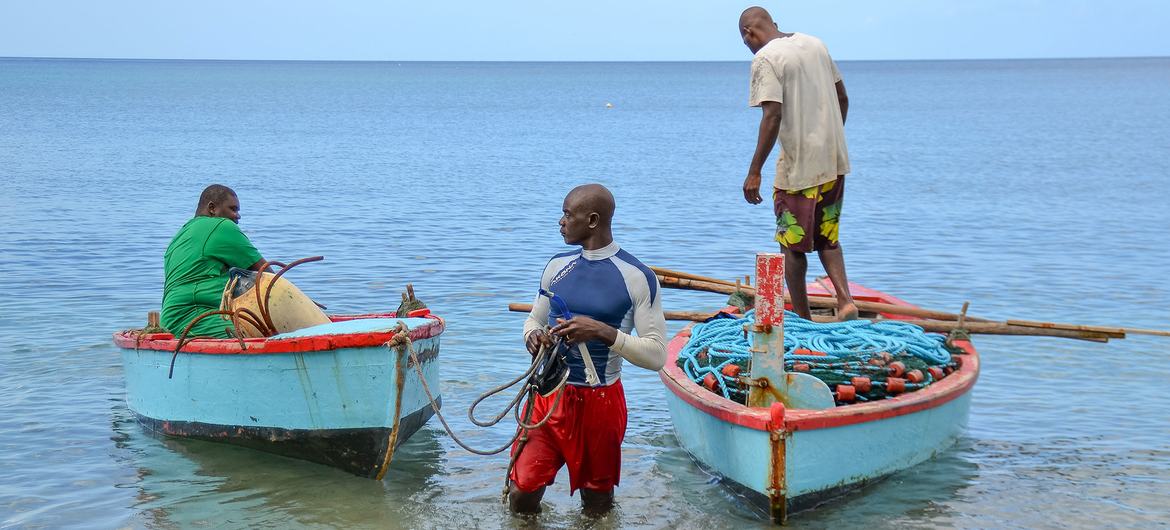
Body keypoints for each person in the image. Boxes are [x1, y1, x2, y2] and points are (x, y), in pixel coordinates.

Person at [510, 183, 667, 516]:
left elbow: (656, 356)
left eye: (568, 214)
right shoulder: (557, 266)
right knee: (521, 493)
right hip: (548, 398)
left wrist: (603, 331)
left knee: (596, 504)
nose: (561, 221)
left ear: (593, 220)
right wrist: (534, 338)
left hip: (601, 403)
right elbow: (533, 321)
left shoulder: (637, 276)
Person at [738, 6, 859, 321]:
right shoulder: (814, 44)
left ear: (749, 34)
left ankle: (803, 319)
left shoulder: (766, 58)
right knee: (827, 237)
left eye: (746, 41)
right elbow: (843, 98)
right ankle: (846, 301)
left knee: (791, 246)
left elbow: (772, 115)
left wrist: (754, 172)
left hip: (798, 169)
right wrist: (828, 139)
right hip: (834, 161)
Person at [161, 184, 269, 338]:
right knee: (265, 334)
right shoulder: (221, 226)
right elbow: (267, 276)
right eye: (233, 209)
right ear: (212, 208)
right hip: (197, 319)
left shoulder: (181, 235)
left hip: (171, 321)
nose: (238, 216)